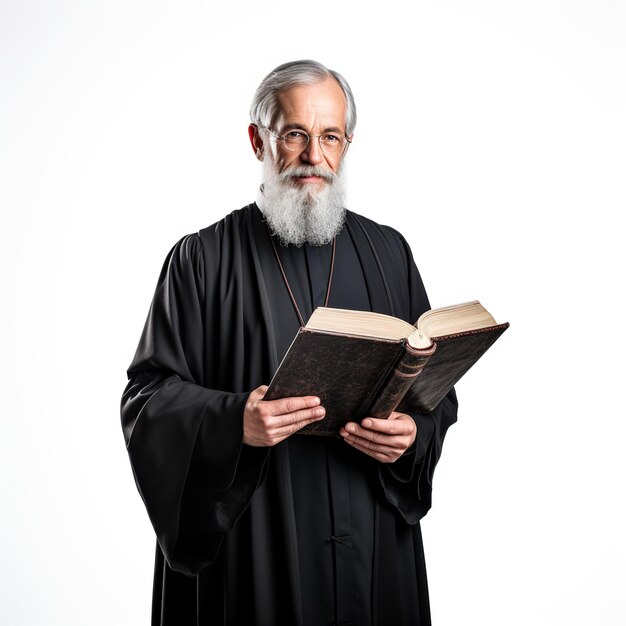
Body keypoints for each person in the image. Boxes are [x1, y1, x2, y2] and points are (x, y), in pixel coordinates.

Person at [121, 59, 458, 626]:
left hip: (372, 539)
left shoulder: (388, 253)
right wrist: (235, 423)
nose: (314, 157)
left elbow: (434, 394)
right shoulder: (202, 260)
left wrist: (413, 433)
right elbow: (146, 399)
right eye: (295, 134)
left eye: (330, 136)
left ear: (347, 143)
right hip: (255, 549)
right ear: (258, 140)